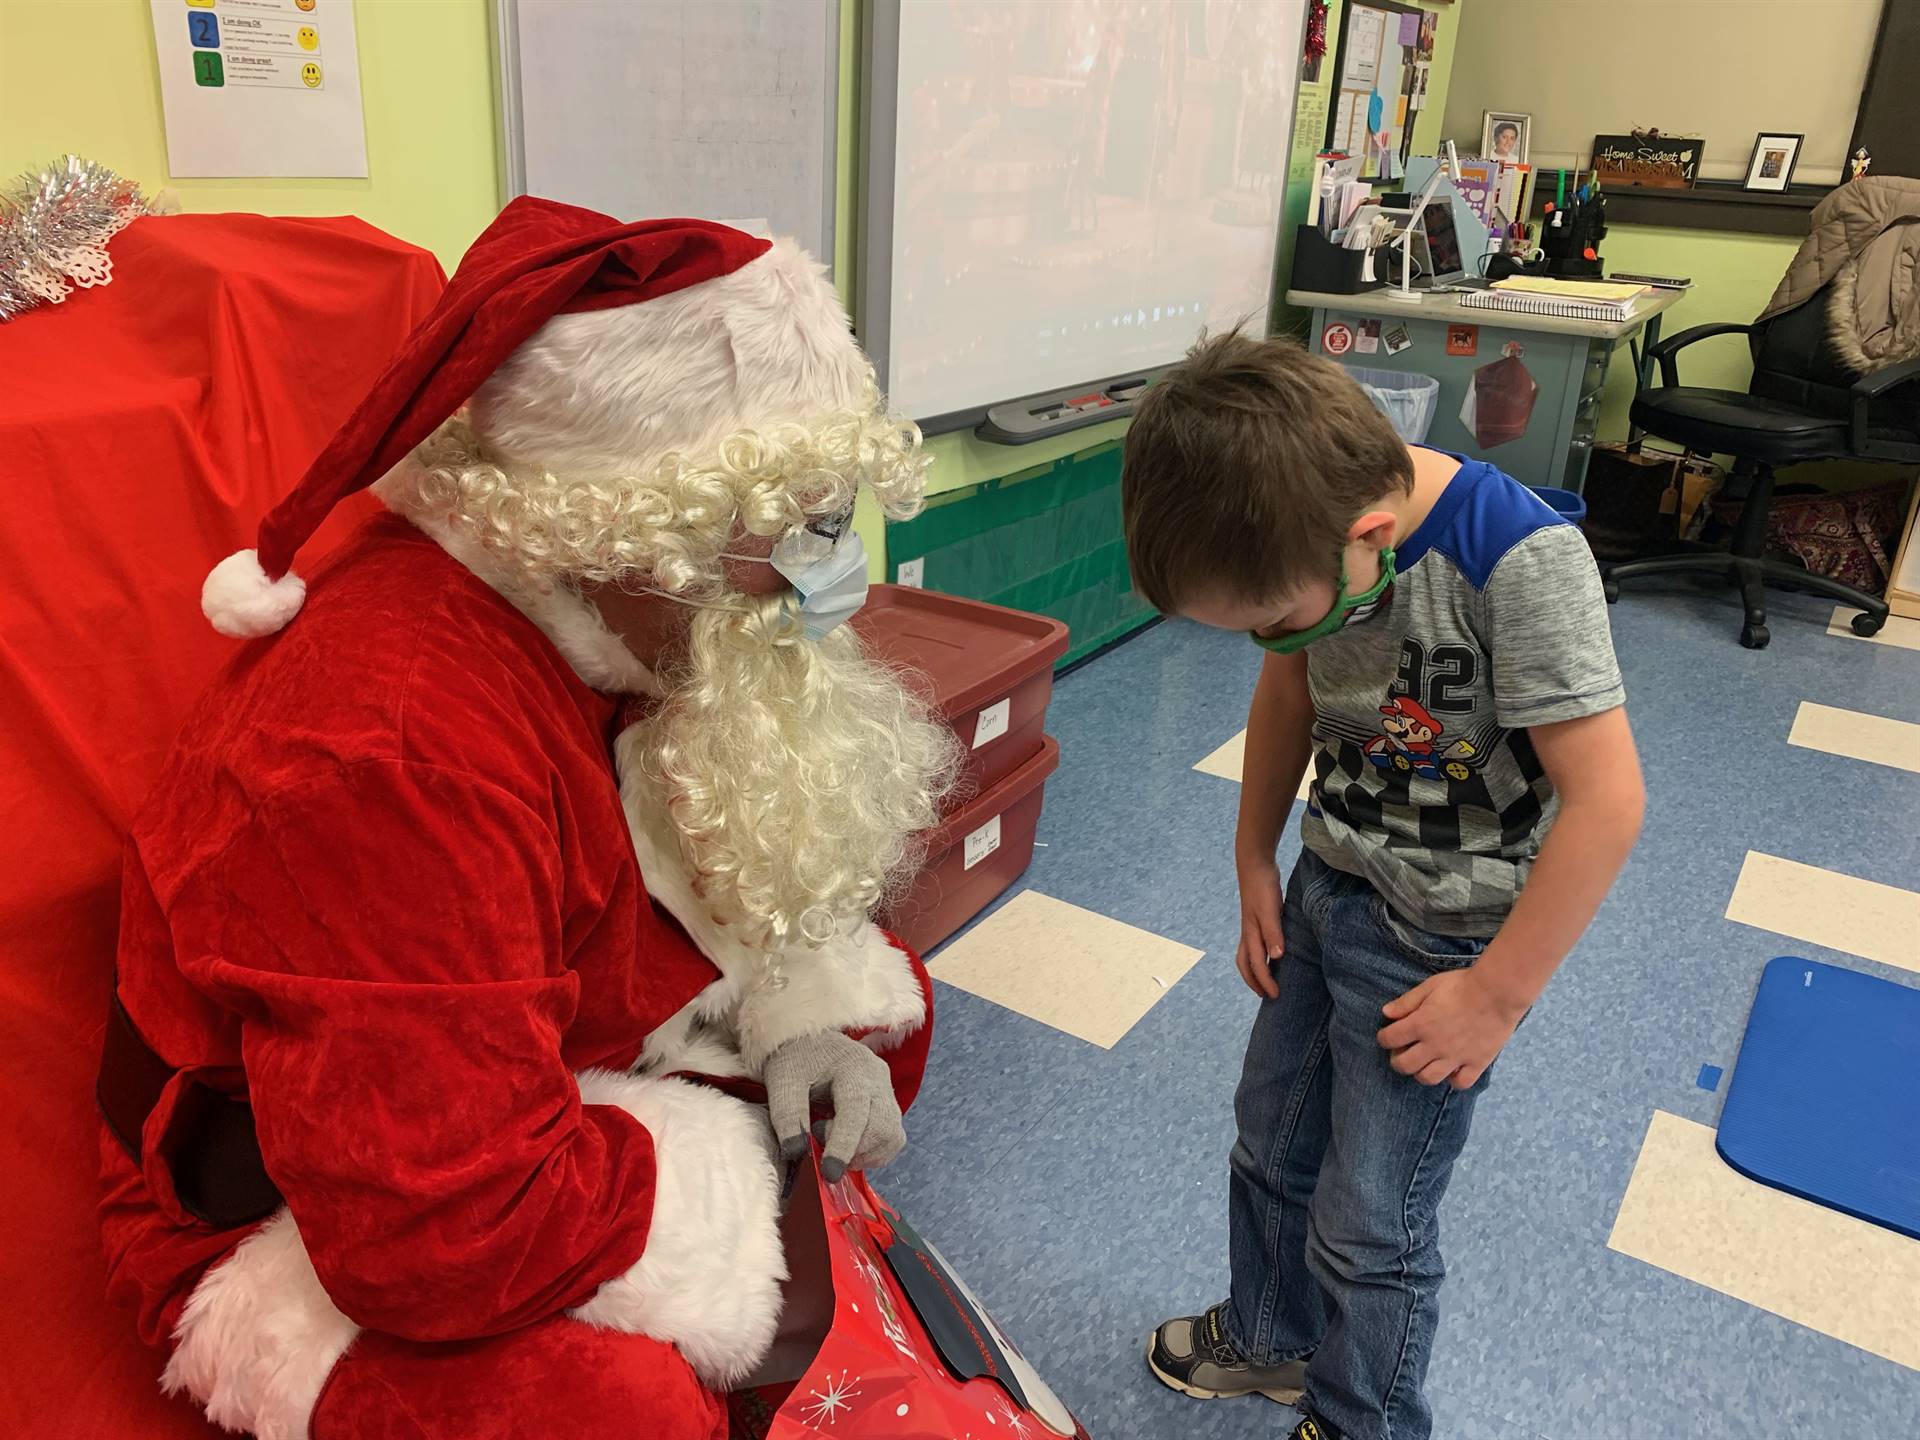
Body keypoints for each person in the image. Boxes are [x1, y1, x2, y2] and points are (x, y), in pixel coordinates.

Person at [97, 199, 960, 1440]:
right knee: (611, 1412)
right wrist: (735, 1172)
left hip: (512, 1066)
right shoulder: (391, 749)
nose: (831, 574)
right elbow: (437, 1233)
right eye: (794, 529)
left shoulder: (608, 622)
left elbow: (668, 875)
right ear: (633, 528)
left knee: (875, 1021)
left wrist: (786, 1018)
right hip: (295, 1207)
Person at [1122, 332, 1643, 1440]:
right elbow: (1286, 700)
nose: (1275, 639)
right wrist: (1254, 861)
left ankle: (1366, 1421)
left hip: (1445, 952)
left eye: (1278, 619)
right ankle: (1271, 1341)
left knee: (1373, 1222)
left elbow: (1607, 805)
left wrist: (1497, 996)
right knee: (1270, 1139)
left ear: (1370, 539)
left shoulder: (1519, 561)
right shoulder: (1310, 541)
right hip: (1328, 884)